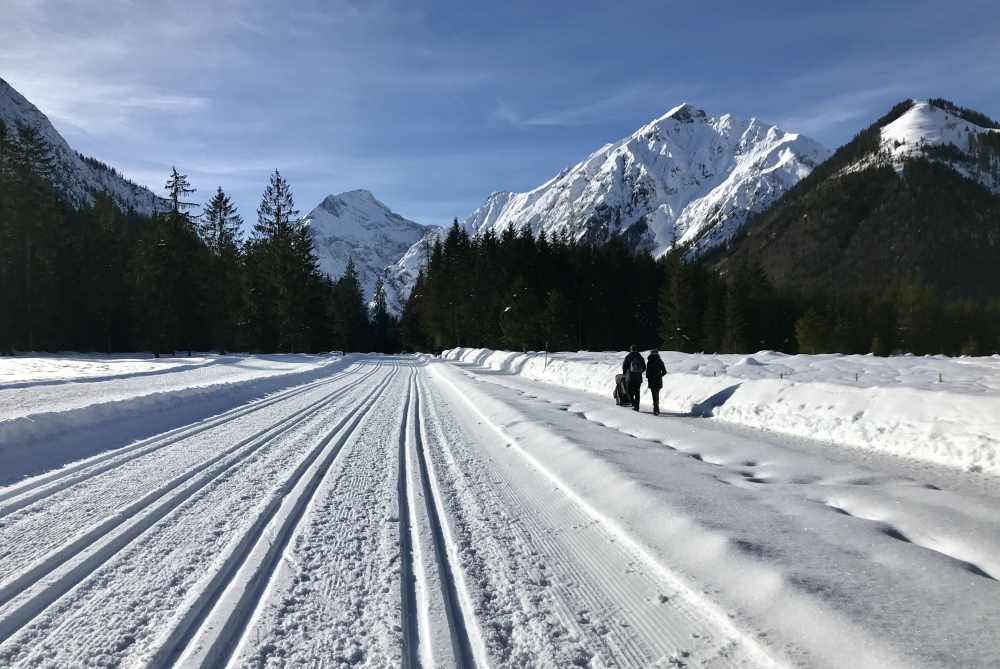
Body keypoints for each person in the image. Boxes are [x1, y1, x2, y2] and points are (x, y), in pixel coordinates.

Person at [622, 345, 646, 412]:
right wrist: (639, 372)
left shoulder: (628, 356)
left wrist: (624, 373)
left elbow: (624, 366)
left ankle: (633, 403)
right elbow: (644, 367)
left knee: (629, 391)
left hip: (630, 377)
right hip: (638, 378)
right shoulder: (640, 357)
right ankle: (637, 407)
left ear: (631, 349)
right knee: (637, 392)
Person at [646, 349, 667, 415]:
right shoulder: (660, 361)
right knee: (656, 394)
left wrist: (649, 377)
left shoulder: (649, 361)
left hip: (651, 380)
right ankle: (656, 408)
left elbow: (647, 373)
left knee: (654, 394)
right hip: (658, 380)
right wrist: (659, 376)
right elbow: (664, 372)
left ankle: (656, 408)